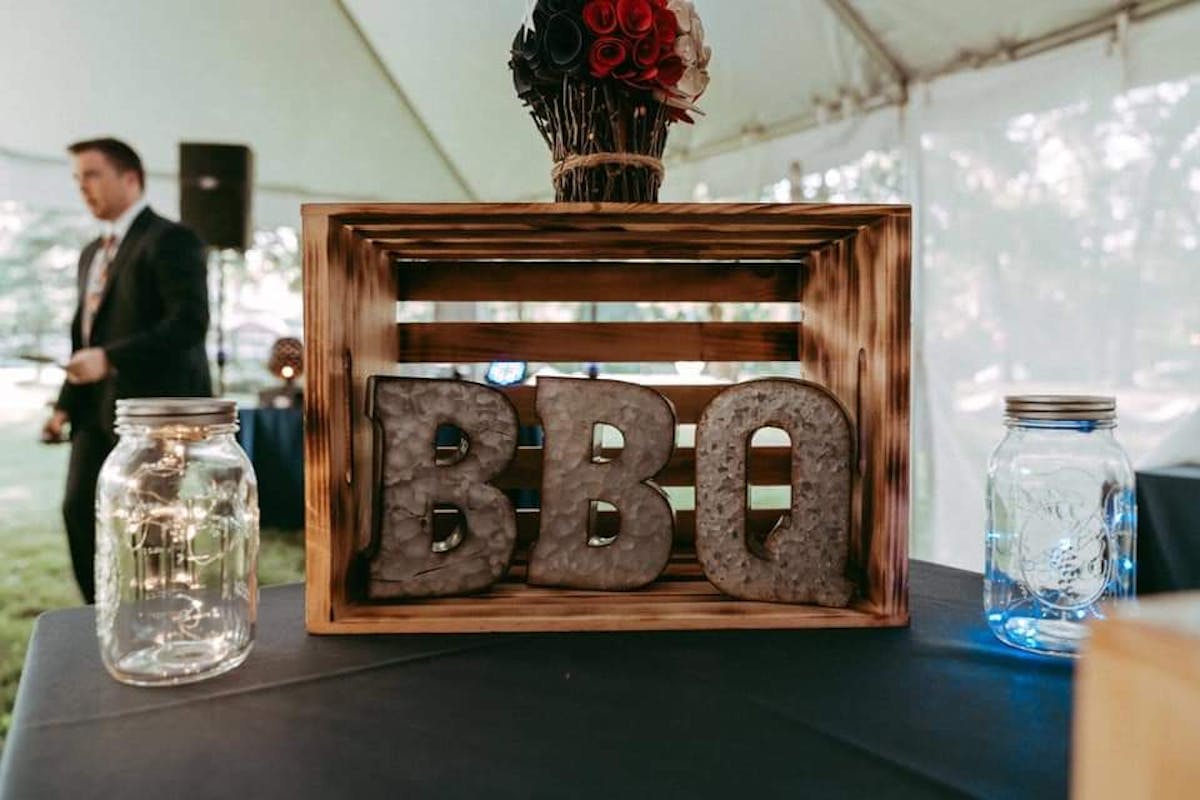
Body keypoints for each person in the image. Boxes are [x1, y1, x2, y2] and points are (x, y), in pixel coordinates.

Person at [41, 137, 212, 604]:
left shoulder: (172, 239)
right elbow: (86, 342)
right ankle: (99, 616)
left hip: (157, 417)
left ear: (130, 178)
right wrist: (62, 406)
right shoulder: (91, 253)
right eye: (77, 179)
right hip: (95, 414)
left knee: (158, 525)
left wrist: (112, 358)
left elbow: (189, 324)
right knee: (78, 510)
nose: (83, 188)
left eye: (92, 175)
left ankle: (167, 616)